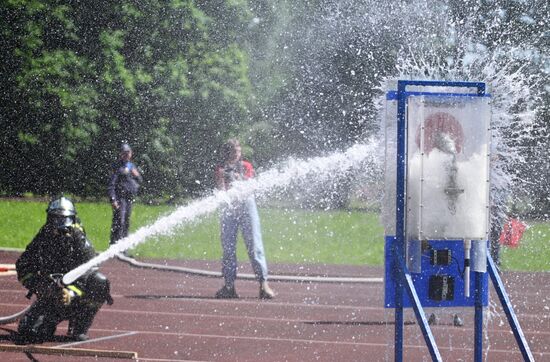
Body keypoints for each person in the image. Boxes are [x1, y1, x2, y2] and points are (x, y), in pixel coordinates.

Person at [16, 197, 113, 343]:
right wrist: (40, 287)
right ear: (49, 219)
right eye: (56, 219)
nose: (61, 226)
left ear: (72, 219)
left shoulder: (80, 241)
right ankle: (47, 322)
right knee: (30, 333)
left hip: (76, 299)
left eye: (65, 220)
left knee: (100, 282)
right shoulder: (43, 238)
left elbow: (89, 271)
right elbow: (23, 265)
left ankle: (79, 327)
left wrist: (72, 291)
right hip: (50, 297)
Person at [214, 139, 275, 299]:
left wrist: (235, 177)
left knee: (255, 245)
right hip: (229, 209)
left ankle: (263, 284)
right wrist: (224, 179)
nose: (237, 153)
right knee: (228, 247)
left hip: (247, 207)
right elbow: (221, 189)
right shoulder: (220, 169)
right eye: (235, 151)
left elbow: (248, 184)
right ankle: (229, 286)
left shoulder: (246, 166)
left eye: (238, 151)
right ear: (228, 152)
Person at [108, 143, 142, 245]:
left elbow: (140, 180)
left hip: (129, 198)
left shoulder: (132, 166)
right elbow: (111, 184)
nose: (127, 155)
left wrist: (137, 175)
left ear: (131, 153)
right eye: (124, 153)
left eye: (128, 152)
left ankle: (123, 248)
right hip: (120, 198)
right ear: (121, 154)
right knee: (119, 222)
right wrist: (113, 199)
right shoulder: (117, 166)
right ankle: (114, 246)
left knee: (126, 223)